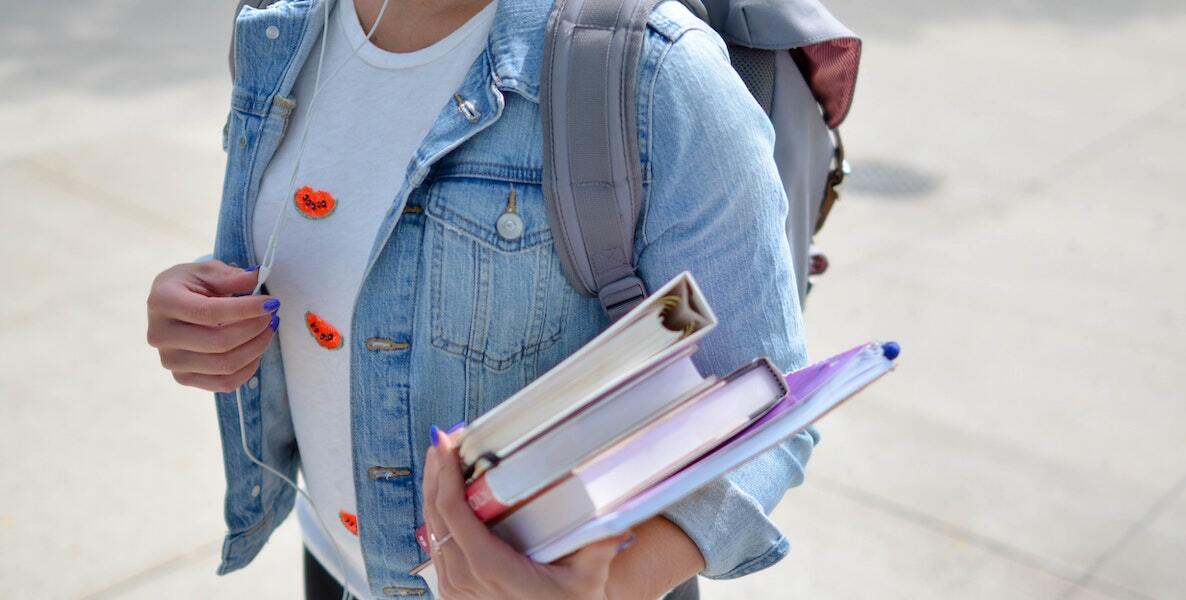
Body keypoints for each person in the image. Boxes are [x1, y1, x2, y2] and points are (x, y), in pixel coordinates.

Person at [145, 0, 816, 597]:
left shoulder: (656, 74)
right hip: (331, 561)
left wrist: (610, 588)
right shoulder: (277, 26)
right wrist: (203, 314)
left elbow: (764, 405)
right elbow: (307, 256)